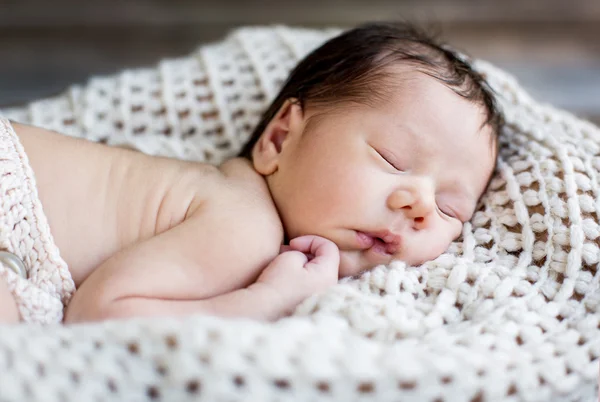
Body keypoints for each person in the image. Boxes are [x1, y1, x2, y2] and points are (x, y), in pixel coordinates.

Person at [0, 21, 502, 324]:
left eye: (449, 207)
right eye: (393, 159)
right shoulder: (245, 225)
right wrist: (269, 299)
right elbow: (99, 317)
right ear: (280, 139)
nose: (419, 204)